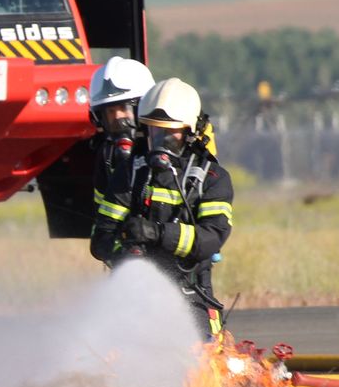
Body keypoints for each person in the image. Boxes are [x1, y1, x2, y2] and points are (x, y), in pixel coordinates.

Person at [90, 77, 234, 338]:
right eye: (156, 132)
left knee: (203, 365)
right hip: (132, 296)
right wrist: (126, 246)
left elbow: (211, 239)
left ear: (190, 132)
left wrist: (157, 233)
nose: (162, 142)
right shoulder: (130, 173)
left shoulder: (212, 179)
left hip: (190, 294)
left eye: (171, 133)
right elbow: (100, 242)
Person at [88, 56, 155, 193]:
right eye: (111, 112)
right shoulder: (107, 154)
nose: (117, 117)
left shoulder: (161, 145)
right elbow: (102, 206)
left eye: (124, 109)